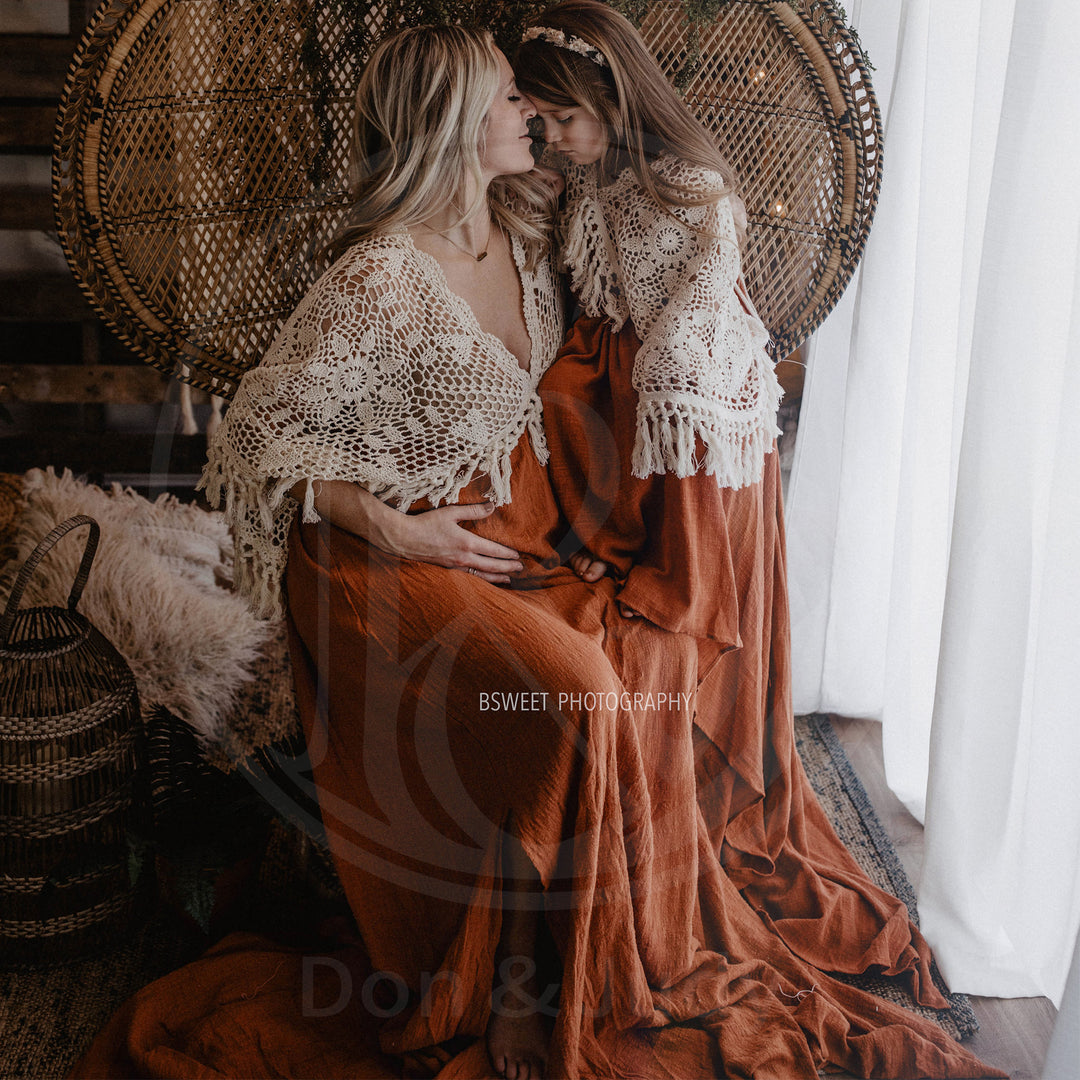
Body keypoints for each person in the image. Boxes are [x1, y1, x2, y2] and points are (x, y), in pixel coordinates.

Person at [72, 19, 998, 1080]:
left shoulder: (530, 235)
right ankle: (514, 981)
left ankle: (568, 941)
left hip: (504, 544)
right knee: (576, 693)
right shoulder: (379, 279)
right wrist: (398, 526)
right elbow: (256, 442)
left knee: (613, 661)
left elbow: (648, 227)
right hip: (382, 564)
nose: (533, 117)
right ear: (457, 122)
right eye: (513, 98)